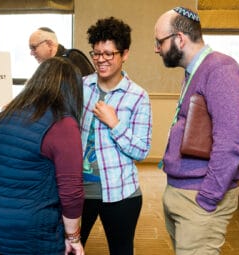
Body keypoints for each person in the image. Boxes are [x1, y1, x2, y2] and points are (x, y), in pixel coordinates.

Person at [154, 7, 239, 255]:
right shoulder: (195, 70)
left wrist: (207, 198)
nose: (156, 49)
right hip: (183, 191)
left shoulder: (220, 69)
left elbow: (229, 143)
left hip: (199, 198)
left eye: (159, 42)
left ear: (180, 39)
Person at [0, 57, 85, 255]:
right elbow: (71, 192)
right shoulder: (63, 124)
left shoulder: (7, 114)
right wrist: (74, 237)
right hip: (32, 229)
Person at [80, 17, 152, 255]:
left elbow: (141, 151)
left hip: (121, 192)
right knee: (67, 248)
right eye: (97, 53)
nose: (101, 60)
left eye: (109, 54)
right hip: (79, 191)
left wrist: (115, 123)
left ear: (125, 54)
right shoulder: (81, 87)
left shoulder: (138, 96)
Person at [29, 27, 95, 76]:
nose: (31, 53)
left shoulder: (73, 58)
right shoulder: (45, 67)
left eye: (33, 47)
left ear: (49, 44)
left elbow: (90, 90)